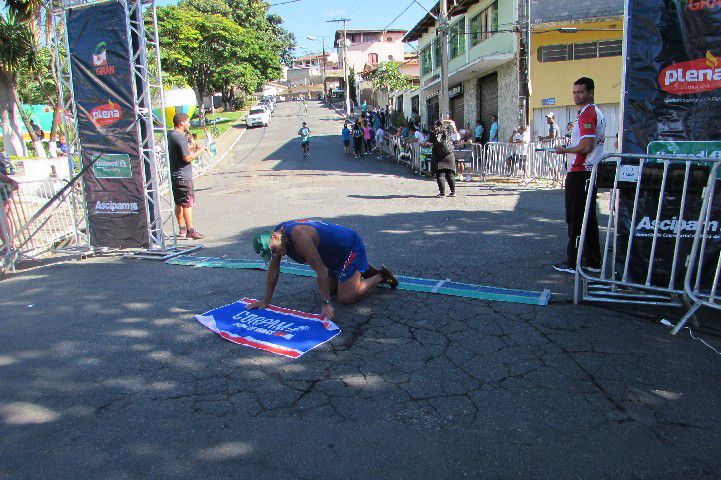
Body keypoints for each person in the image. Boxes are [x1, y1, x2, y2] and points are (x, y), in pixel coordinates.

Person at [249, 220, 398, 319]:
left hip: (348, 247)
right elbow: (274, 268)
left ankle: (380, 276)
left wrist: (326, 303)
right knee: (331, 288)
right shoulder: (277, 239)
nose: (276, 255)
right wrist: (266, 300)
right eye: (272, 254)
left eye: (274, 251)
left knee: (346, 297)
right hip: (331, 256)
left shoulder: (300, 238)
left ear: (275, 237)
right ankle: (360, 268)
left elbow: (321, 271)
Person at [552, 77, 605, 273]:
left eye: (580, 92)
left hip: (581, 171)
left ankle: (574, 262)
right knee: (588, 217)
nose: (576, 95)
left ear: (590, 92)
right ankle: (593, 261)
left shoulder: (588, 114)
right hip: (588, 171)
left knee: (575, 217)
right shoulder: (591, 112)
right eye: (574, 92)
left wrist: (564, 150)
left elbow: (587, 145)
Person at [168, 112, 207, 240]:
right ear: (181, 123)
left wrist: (194, 149)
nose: (189, 124)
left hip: (175, 174)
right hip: (183, 175)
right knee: (187, 203)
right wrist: (200, 151)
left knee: (179, 202)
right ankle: (190, 230)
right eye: (187, 121)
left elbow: (182, 153)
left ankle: (182, 229)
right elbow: (186, 158)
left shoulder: (171, 135)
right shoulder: (179, 137)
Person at [429, 118, 458, 197]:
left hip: (438, 155)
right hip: (449, 155)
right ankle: (453, 192)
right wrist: (443, 120)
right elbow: (452, 122)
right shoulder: (448, 130)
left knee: (440, 174)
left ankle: (442, 193)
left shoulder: (433, 132)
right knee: (450, 174)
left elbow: (430, 141)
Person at [0, 153, 18, 254]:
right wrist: (10, 181)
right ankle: (8, 245)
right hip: (3, 188)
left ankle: (9, 245)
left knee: (5, 216)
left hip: (3, 190)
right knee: (4, 217)